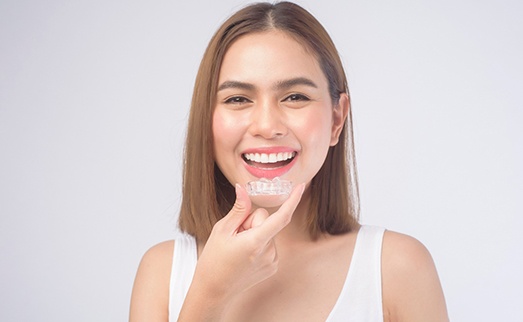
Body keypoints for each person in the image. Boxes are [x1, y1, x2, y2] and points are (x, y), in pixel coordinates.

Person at [129, 2, 449, 321]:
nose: (267, 126)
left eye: (295, 97)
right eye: (238, 99)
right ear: (206, 120)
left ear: (337, 119)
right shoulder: (162, 273)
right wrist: (210, 293)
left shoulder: (398, 269)